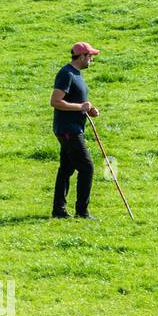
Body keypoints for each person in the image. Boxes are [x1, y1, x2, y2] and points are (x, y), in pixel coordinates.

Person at [50, 42, 101, 219]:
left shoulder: (76, 75)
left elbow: (77, 102)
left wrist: (89, 109)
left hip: (72, 128)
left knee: (66, 168)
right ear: (82, 56)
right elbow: (56, 102)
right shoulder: (66, 74)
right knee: (87, 168)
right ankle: (82, 212)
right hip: (68, 130)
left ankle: (59, 210)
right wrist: (81, 106)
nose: (92, 59)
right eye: (90, 56)